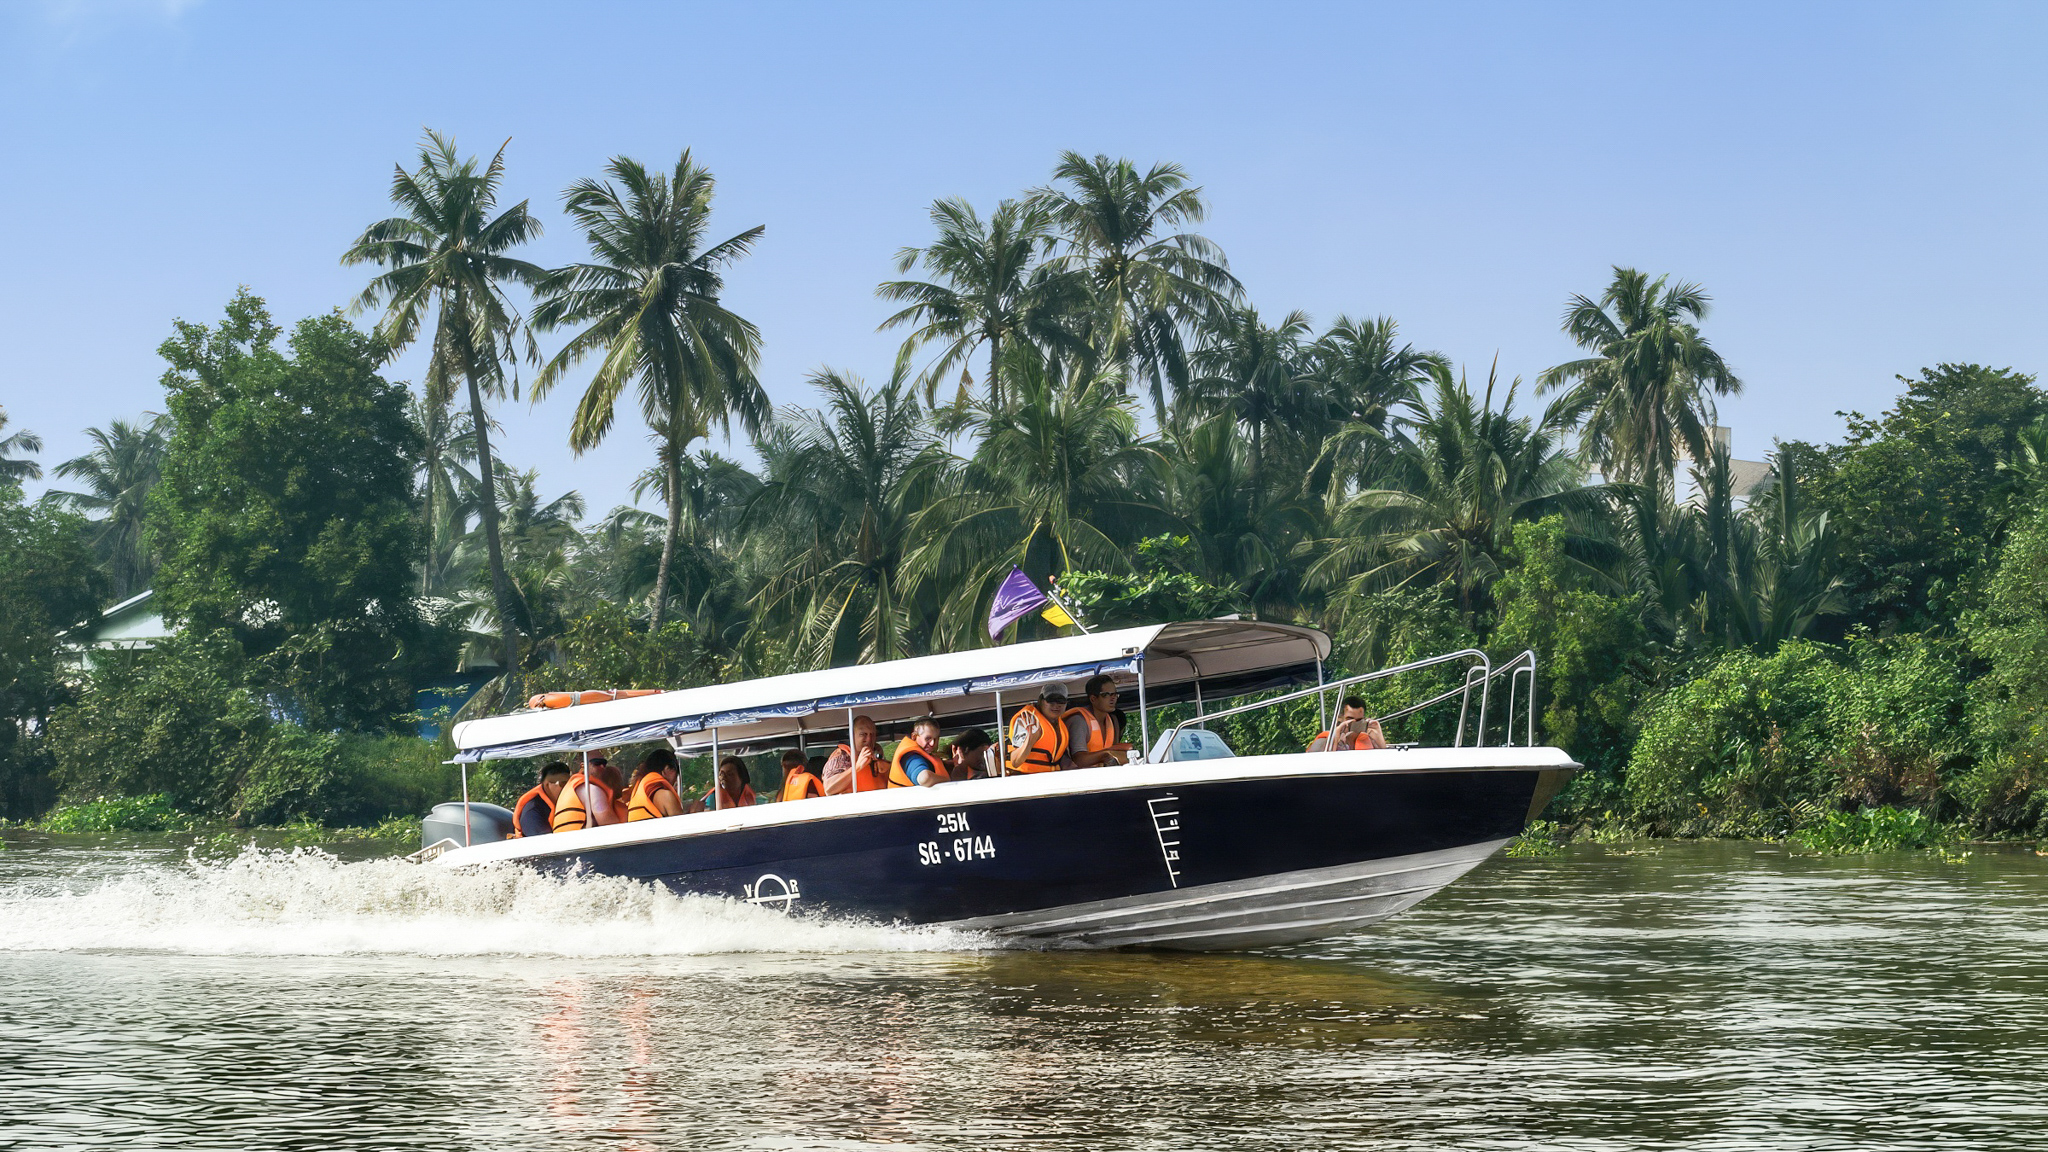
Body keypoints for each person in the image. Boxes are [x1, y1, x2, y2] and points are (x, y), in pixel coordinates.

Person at [1065, 674, 1136, 768]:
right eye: (1106, 695)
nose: (1113, 698)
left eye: (1114, 694)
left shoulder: (1111, 720)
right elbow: (1079, 760)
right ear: (1093, 699)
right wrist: (1105, 755)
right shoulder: (1079, 721)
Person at [1007, 686, 1071, 773]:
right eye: (1050, 700)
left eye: (1061, 701)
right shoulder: (1028, 719)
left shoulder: (1059, 724)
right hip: (1023, 779)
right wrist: (1030, 739)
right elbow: (1015, 761)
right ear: (1041, 700)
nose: (1056, 705)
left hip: (1048, 778)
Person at [551, 756, 624, 832]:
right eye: (597, 763)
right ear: (583, 765)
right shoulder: (588, 788)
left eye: (604, 764)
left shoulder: (571, 787)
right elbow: (607, 822)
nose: (602, 766)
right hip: (580, 841)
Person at [822, 715, 888, 794]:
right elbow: (829, 789)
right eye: (863, 734)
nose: (869, 739)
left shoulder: (877, 756)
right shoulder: (842, 756)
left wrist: (887, 768)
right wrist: (857, 767)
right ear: (852, 735)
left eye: (872, 734)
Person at [511, 762, 572, 837]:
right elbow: (545, 845)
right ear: (547, 785)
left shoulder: (566, 801)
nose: (568, 787)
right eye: (563, 784)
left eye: (569, 783)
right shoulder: (533, 812)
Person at [1308, 696, 1388, 752]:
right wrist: (1336, 735)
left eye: (1359, 720)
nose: (1354, 723)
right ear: (1339, 718)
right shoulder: (1324, 741)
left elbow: (1384, 760)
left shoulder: (1367, 740)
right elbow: (1315, 762)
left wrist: (1378, 734)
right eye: (1349, 719)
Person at [888, 718, 950, 788]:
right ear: (914, 737)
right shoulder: (912, 757)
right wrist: (947, 780)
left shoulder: (924, 756)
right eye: (928, 738)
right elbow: (925, 779)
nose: (932, 743)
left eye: (936, 739)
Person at [626, 749, 685, 821]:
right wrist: (695, 811)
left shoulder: (637, 794)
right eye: (676, 774)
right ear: (667, 769)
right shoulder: (666, 796)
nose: (675, 780)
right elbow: (684, 828)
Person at [691, 756, 756, 811]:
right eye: (721, 774)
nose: (723, 777)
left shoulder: (756, 798)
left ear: (742, 777)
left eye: (730, 774)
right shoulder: (713, 798)